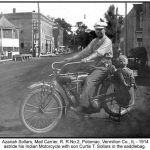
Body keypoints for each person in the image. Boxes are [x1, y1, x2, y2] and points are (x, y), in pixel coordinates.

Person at [64, 21, 113, 114]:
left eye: (100, 29)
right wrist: (71, 58)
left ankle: (83, 107)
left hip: (104, 67)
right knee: (76, 76)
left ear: (104, 30)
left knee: (89, 80)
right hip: (95, 66)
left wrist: (88, 58)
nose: (98, 31)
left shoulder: (107, 41)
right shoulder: (94, 41)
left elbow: (98, 53)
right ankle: (79, 100)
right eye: (96, 30)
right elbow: (85, 51)